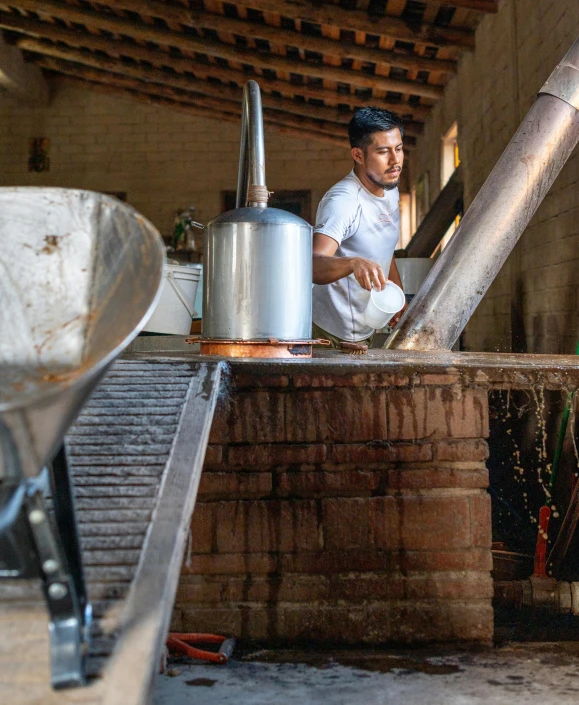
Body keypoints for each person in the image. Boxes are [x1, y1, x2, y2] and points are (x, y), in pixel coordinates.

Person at [312, 107, 407, 348]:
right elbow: (312, 264)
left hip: (366, 325)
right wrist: (353, 263)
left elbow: (385, 250)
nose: (395, 161)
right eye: (383, 152)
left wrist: (399, 293)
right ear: (358, 155)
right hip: (331, 334)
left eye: (399, 148)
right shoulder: (343, 202)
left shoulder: (390, 189)